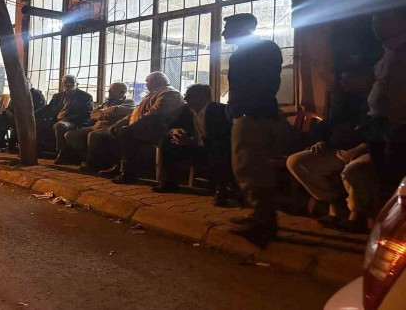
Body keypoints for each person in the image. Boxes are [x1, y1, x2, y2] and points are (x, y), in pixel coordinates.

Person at [286, 66, 376, 232]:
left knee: (354, 170)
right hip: (337, 150)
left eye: (348, 80)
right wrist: (321, 141)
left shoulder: (377, 102)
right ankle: (334, 200)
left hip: (367, 150)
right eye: (342, 80)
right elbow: (326, 125)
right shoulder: (344, 101)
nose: (344, 83)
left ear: (365, 79)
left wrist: (362, 148)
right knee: (296, 161)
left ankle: (356, 215)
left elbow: (379, 132)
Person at [222, 13, 284, 248]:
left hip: (253, 116)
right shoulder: (252, 51)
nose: (223, 33)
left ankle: (263, 221)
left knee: (251, 167)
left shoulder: (262, 49)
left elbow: (263, 85)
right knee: (249, 166)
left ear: (243, 28)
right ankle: (259, 214)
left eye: (228, 27)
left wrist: (243, 109)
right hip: (250, 114)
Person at [154, 84, 232, 206]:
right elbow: (168, 127)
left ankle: (221, 189)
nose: (185, 99)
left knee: (218, 150)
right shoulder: (185, 110)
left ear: (202, 97)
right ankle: (169, 182)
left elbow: (223, 138)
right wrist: (174, 131)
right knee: (167, 140)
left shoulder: (219, 111)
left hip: (213, 148)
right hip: (192, 147)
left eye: (189, 96)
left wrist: (194, 142)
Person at [105, 72, 183, 183]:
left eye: (147, 81)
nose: (145, 83)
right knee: (116, 130)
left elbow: (155, 114)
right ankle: (119, 166)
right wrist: (119, 123)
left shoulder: (169, 93)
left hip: (155, 130)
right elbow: (134, 113)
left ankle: (129, 174)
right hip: (142, 127)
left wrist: (132, 127)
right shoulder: (151, 94)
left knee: (125, 133)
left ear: (155, 81)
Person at [368, 8, 406, 193]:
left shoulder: (402, 52)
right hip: (380, 127)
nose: (377, 24)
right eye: (374, 20)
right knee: (383, 181)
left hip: (398, 129)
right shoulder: (386, 51)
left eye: (385, 19)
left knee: (394, 183)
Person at [66, 82, 134, 164]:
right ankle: (87, 156)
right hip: (96, 126)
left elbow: (116, 110)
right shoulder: (106, 102)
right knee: (70, 135)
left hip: (110, 128)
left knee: (93, 135)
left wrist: (102, 112)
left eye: (112, 90)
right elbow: (92, 115)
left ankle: (91, 163)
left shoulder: (129, 102)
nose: (108, 91)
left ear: (122, 92)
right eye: (109, 89)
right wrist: (104, 114)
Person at [34, 75, 93, 163]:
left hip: (74, 121)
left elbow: (85, 114)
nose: (68, 84)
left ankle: (62, 153)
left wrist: (66, 119)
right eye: (65, 82)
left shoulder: (85, 96)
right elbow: (48, 109)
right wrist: (32, 114)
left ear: (77, 84)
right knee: (37, 123)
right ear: (62, 84)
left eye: (71, 82)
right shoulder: (57, 96)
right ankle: (36, 150)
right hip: (57, 119)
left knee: (59, 126)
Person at [0, 81, 46, 152]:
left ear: (30, 85)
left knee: (19, 121)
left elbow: (41, 109)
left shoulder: (37, 95)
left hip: (27, 119)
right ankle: (0, 144)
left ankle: (12, 145)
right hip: (12, 117)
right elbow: (9, 107)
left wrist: (25, 115)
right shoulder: (17, 94)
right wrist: (7, 112)